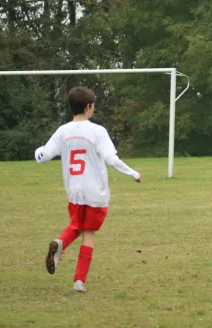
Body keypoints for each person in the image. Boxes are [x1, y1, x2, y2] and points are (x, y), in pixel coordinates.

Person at [34, 87, 141, 293]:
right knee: (89, 233)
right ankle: (79, 280)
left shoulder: (62, 131)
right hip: (95, 193)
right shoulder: (97, 131)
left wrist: (37, 151)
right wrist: (133, 173)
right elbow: (111, 159)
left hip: (74, 190)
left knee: (76, 225)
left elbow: (43, 156)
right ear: (88, 106)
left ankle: (60, 243)